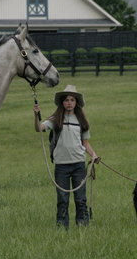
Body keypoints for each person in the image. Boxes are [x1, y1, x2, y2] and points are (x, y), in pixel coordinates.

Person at [33, 84, 99, 229]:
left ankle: (83, 225)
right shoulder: (55, 119)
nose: (69, 103)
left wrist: (93, 155)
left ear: (76, 103)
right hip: (61, 165)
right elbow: (39, 128)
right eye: (66, 100)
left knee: (80, 198)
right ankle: (62, 227)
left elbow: (85, 143)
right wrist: (36, 115)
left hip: (78, 164)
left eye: (72, 100)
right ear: (62, 102)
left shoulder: (82, 122)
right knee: (62, 198)